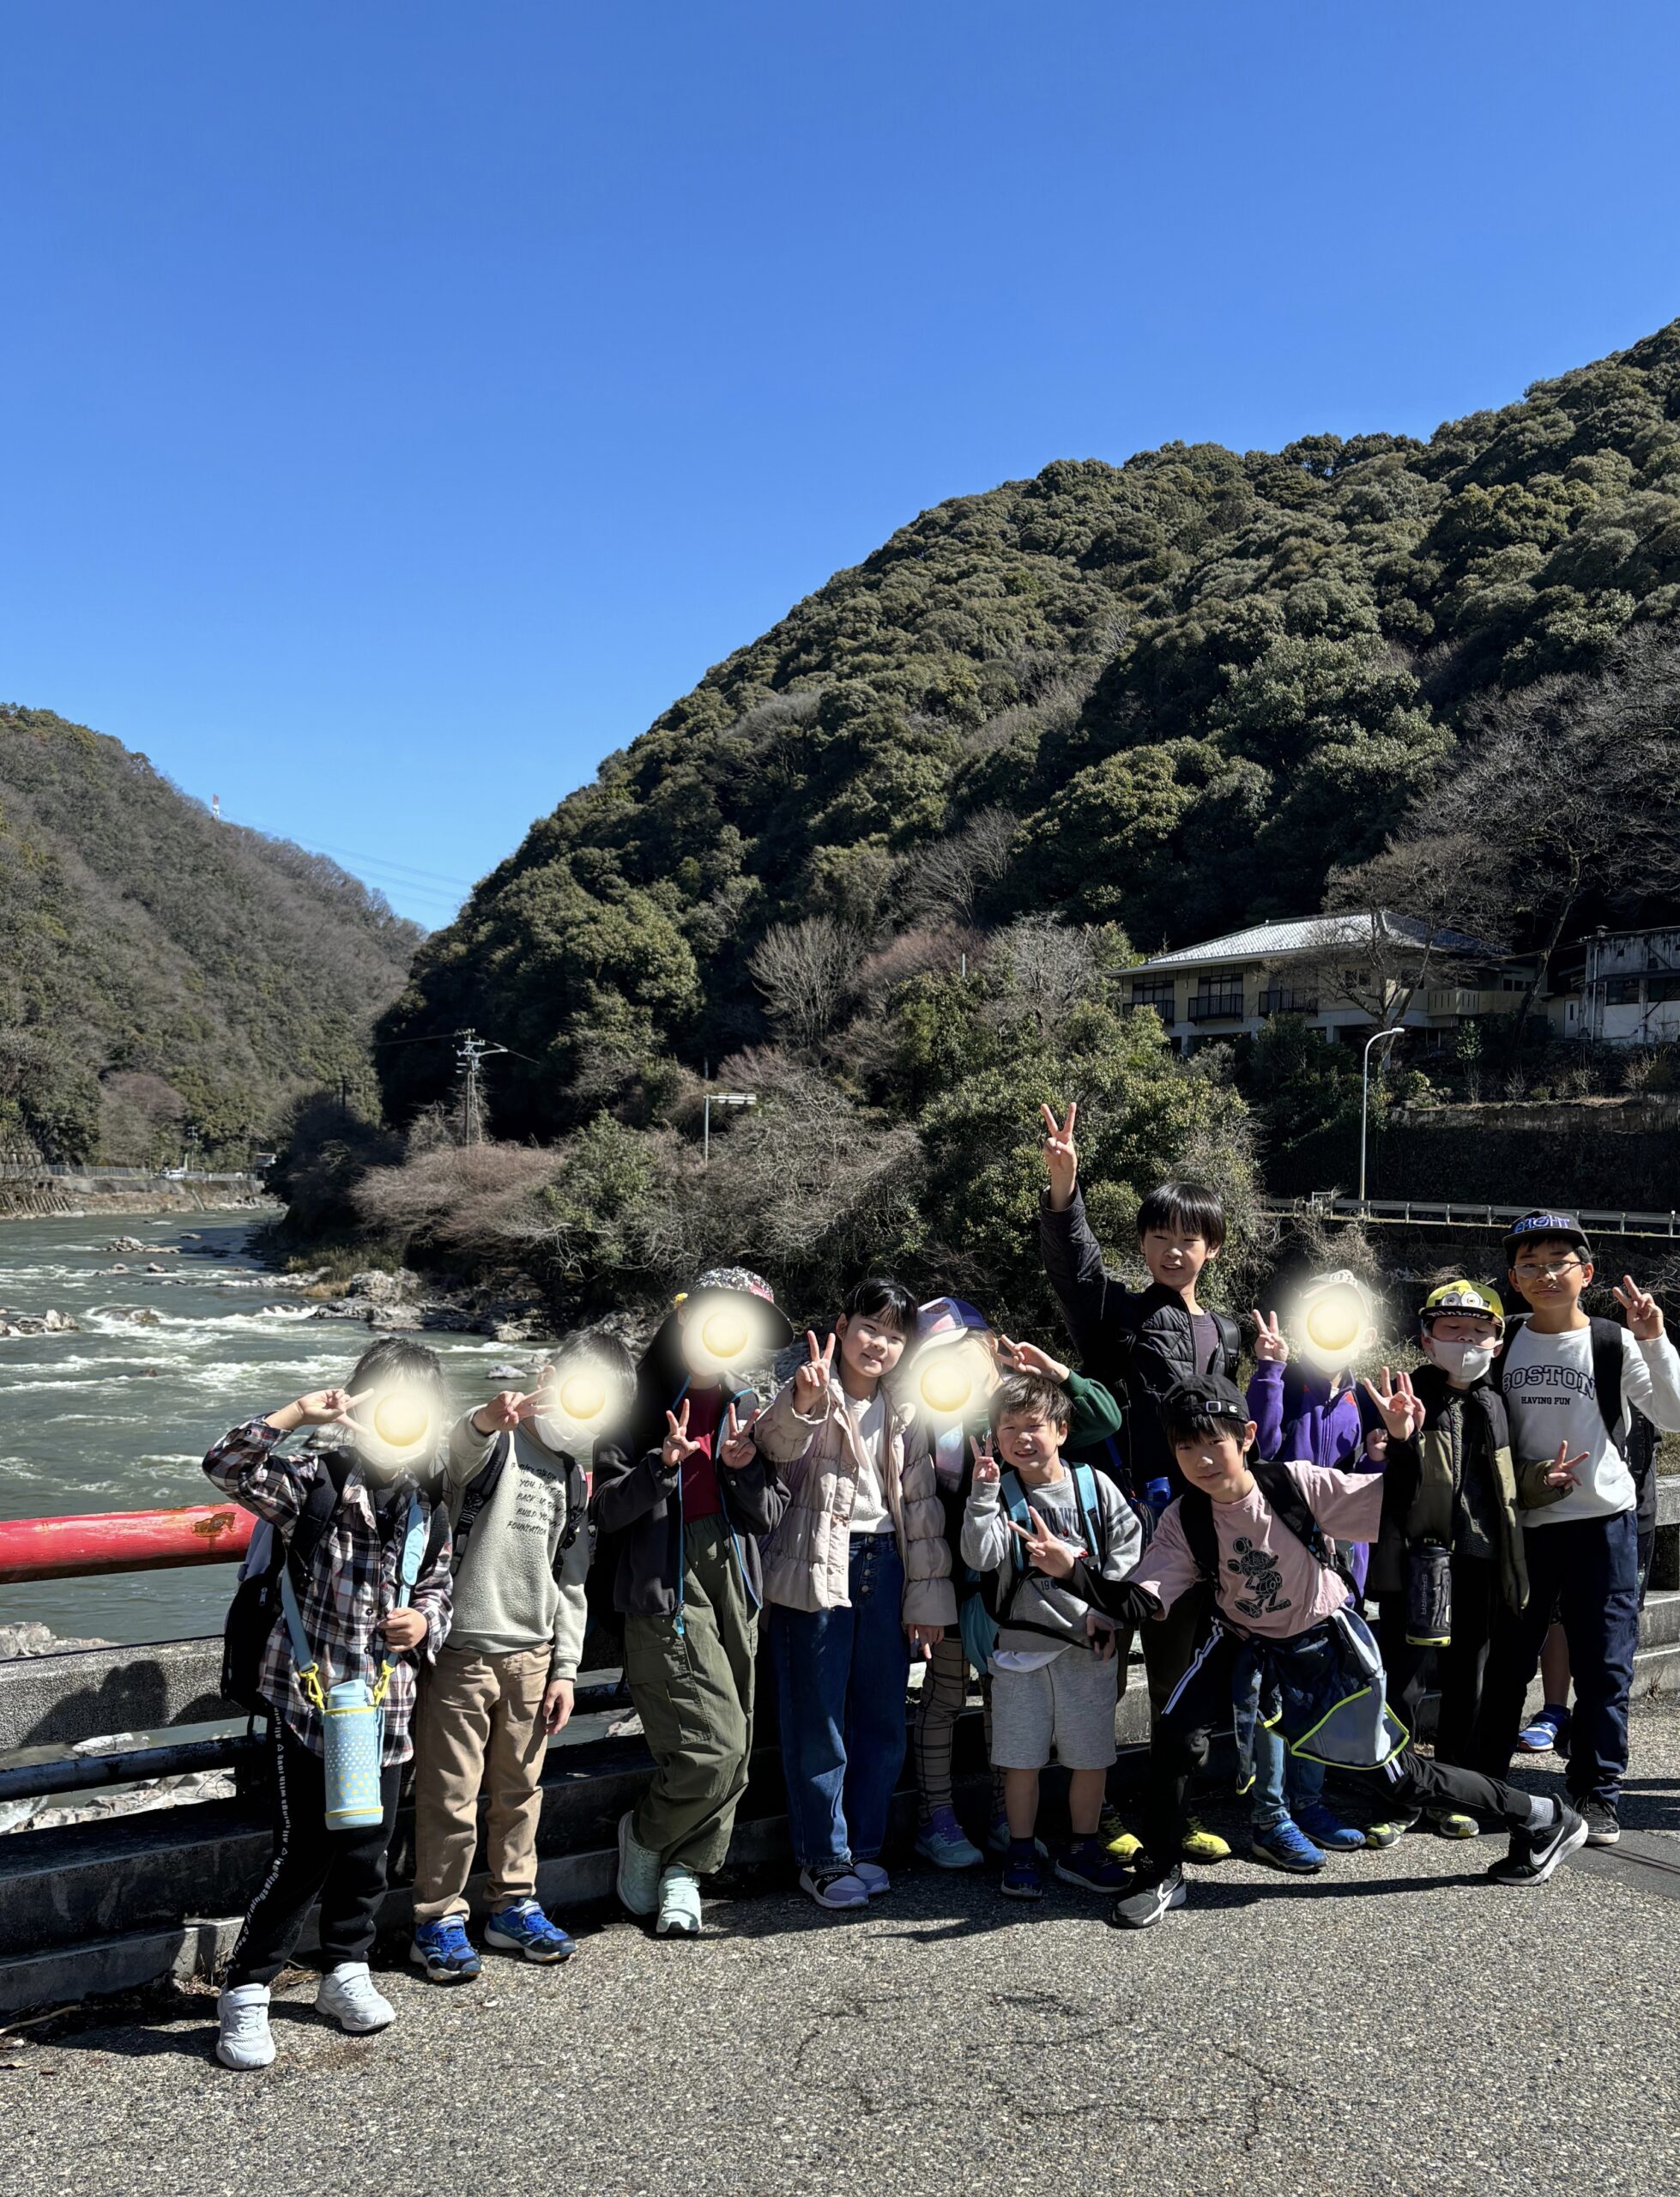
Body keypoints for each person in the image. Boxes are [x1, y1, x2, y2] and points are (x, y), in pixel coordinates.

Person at [1018, 1372, 1587, 1930]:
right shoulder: (1185, 1518)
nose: (1201, 1459)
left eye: (1213, 1441)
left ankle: (1542, 1816)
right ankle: (1163, 1870)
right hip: (1243, 1641)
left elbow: (1399, 1502)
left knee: (1400, 1779)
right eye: (1185, 1447)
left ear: (1246, 1436)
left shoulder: (1293, 1485)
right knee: (1176, 1738)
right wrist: (1073, 1572)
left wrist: (1404, 1443)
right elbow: (1141, 1600)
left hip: (1322, 1649)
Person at [204, 1337, 455, 2070]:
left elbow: (439, 1589)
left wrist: (424, 1623)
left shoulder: (424, 1504)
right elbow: (225, 1466)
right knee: (305, 1851)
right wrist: (298, 1413)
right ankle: (246, 1989)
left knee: (369, 1848)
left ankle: (346, 1968)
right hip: (309, 1703)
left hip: (387, 1706)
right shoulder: (313, 1482)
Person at [1038, 1101, 1238, 1865]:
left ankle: (1172, 1817)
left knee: (1177, 1681)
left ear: (1212, 1248)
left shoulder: (1224, 1332)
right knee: (1101, 1673)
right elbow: (1076, 1273)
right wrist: (1065, 1191)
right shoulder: (1118, 1315)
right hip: (1123, 1519)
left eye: (1188, 1239)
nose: (1172, 1251)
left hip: (1197, 1525)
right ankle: (1093, 1818)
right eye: (1159, 1237)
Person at [408, 1335, 632, 1981]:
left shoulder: (570, 1473)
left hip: (532, 1657)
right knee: (449, 1796)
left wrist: (565, 1669)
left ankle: (512, 1904)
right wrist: (486, 1419)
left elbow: (571, 1579)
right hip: (460, 1654)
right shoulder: (498, 1441)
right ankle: (437, 1918)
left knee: (520, 1792)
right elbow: (457, 1455)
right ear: (549, 1375)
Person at [592, 1268, 791, 1936]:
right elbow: (605, 1509)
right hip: (664, 1584)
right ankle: (648, 1834)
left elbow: (768, 1513)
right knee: (714, 1748)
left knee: (737, 1744)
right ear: (685, 1316)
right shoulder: (633, 1400)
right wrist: (661, 1466)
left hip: (733, 1578)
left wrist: (742, 1469)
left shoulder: (746, 1402)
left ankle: (686, 1871)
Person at [754, 1277, 956, 1910]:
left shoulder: (905, 1409)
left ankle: (864, 1847)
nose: (879, 1345)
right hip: (818, 1562)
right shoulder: (808, 1389)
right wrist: (803, 1401)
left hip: (887, 1563)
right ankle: (823, 1858)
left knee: (882, 1717)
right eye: (869, 1328)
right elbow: (771, 1446)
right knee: (818, 1720)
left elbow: (921, 1510)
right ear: (841, 1328)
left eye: (894, 1337)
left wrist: (927, 1602)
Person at [1479, 1212, 1680, 1847]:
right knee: (1507, 1662)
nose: (1544, 1275)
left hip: (1603, 1525)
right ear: (1513, 1278)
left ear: (1586, 1274)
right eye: (1530, 1265)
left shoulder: (1611, 1342)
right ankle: (1486, 1784)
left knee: (1605, 1668)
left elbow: (1673, 1414)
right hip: (1525, 1528)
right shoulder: (1503, 1341)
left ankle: (1597, 1793)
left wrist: (1654, 1338)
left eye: (1558, 1263)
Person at [903, 1298, 1125, 1867]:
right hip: (956, 1583)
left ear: (988, 1343)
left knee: (1004, 1702)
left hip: (1016, 1595)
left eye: (962, 1349)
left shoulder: (1021, 1405)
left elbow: (1103, 1419)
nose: (953, 1364)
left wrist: (1056, 1374)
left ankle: (1008, 1817)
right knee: (944, 1697)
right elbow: (920, 1508)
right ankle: (936, 1816)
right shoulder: (929, 1411)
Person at [959, 1372, 1141, 1899]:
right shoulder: (998, 1491)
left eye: (1033, 1425)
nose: (1021, 1437)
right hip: (1021, 1651)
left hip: (1089, 1647)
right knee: (1021, 1761)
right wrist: (982, 1495)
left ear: (1062, 1430)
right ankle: (1021, 1850)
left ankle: (1083, 1848)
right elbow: (980, 1557)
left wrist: (1107, 1612)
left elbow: (1128, 1549)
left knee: (1091, 1758)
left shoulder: (1093, 1485)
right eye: (1008, 1427)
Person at [1361, 1283, 1531, 1845]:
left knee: (1467, 1682)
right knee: (1403, 1681)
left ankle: (1454, 1793)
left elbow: (1507, 1482)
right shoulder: (1406, 1394)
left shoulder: (1498, 1402)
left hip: (1480, 1560)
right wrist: (1399, 1438)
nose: (1466, 1341)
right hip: (1417, 1561)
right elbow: (1392, 1488)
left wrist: (1546, 1482)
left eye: (1479, 1331)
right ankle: (1398, 1794)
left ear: (1498, 1344)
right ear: (1426, 1338)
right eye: (1452, 1329)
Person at [1245, 1280, 1384, 1865]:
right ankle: (1270, 1814)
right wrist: (1269, 1372)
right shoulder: (1286, 1381)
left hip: (1339, 1571)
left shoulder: (1364, 1399)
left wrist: (1379, 1456)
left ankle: (1309, 1802)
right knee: (1277, 1692)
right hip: (1281, 1564)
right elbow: (1256, 1450)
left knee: (1323, 1691)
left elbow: (1367, 1489)